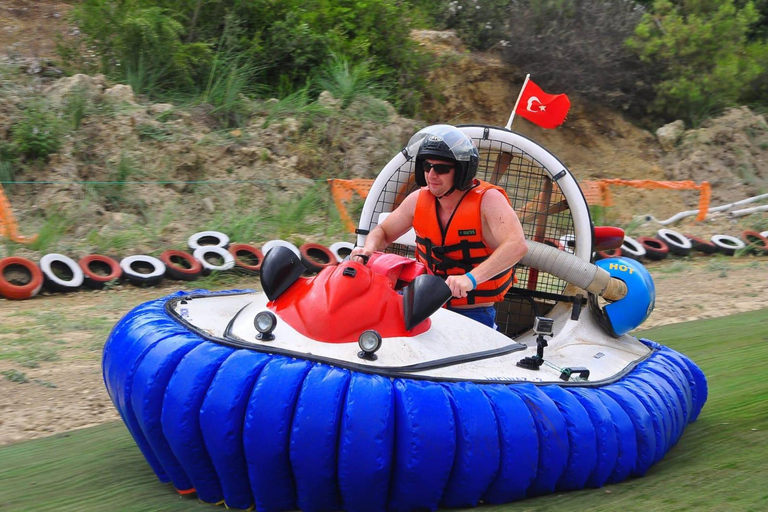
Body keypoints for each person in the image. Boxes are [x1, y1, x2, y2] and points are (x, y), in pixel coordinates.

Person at [350, 124, 528, 329]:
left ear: (462, 170)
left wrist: (471, 279)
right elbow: (382, 231)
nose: (432, 175)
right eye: (427, 167)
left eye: (442, 168)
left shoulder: (488, 201)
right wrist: (369, 248)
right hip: (421, 302)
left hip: (472, 312)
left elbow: (516, 245)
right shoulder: (417, 199)